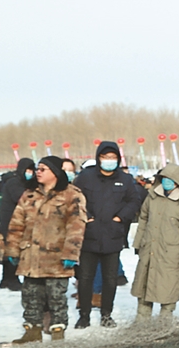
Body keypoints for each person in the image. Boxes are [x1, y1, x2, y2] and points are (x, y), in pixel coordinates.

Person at [5, 156, 87, 342]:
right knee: (30, 296)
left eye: (43, 169)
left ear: (55, 173)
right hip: (30, 257)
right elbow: (16, 224)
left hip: (56, 257)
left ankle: (58, 332)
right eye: (37, 168)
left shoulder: (71, 195)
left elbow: (76, 226)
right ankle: (32, 331)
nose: (38, 172)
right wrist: (13, 250)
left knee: (56, 296)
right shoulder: (29, 194)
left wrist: (71, 253)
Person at [73, 141, 141, 329]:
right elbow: (75, 198)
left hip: (113, 236)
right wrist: (86, 217)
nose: (108, 161)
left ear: (117, 159)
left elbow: (134, 200)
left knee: (110, 279)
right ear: (98, 158)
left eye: (112, 158)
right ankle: (84, 314)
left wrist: (120, 217)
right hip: (89, 236)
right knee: (85, 278)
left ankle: (106, 314)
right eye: (105, 157)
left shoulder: (125, 179)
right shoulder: (86, 177)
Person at [131, 163, 179, 321]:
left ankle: (164, 328)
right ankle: (141, 325)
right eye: (163, 178)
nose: (166, 181)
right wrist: (138, 243)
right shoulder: (152, 196)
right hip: (149, 251)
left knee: (168, 294)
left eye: (170, 179)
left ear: (178, 181)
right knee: (143, 290)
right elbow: (143, 220)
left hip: (171, 255)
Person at [0, 158, 37, 292]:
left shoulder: (21, 182)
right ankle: (11, 279)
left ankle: (6, 279)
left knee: (10, 250)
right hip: (10, 221)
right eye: (27, 170)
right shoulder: (14, 183)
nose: (30, 173)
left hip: (16, 221)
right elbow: (21, 198)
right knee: (13, 250)